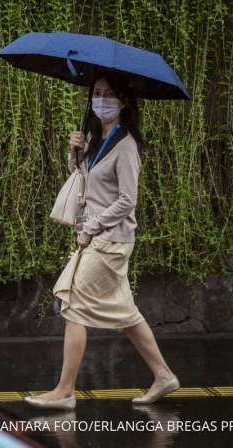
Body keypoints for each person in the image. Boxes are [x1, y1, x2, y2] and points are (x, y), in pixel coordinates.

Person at [24, 71, 179, 410]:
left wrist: (92, 225)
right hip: (98, 237)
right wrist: (74, 152)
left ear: (123, 101)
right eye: (97, 93)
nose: (101, 99)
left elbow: (127, 200)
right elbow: (84, 181)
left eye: (109, 94)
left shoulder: (126, 146)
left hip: (110, 240)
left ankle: (64, 392)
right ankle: (164, 375)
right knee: (126, 314)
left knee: (73, 301)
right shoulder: (97, 139)